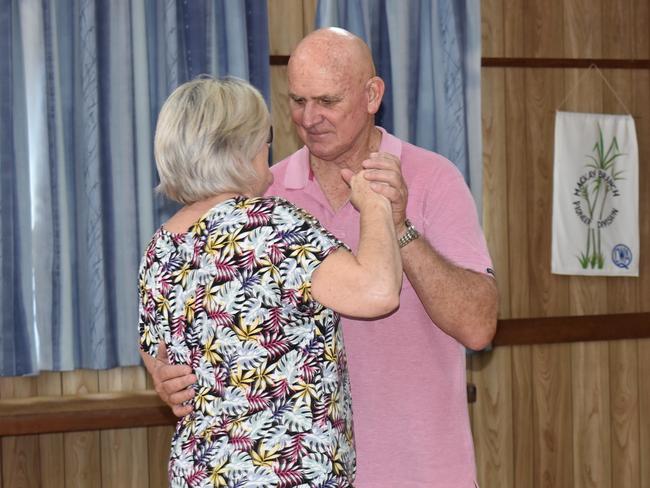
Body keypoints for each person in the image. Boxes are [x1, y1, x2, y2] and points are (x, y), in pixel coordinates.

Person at [147, 28, 498, 488]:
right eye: (297, 101)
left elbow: (478, 327)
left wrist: (399, 226)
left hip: (417, 470)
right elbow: (169, 315)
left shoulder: (432, 178)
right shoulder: (259, 197)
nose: (309, 118)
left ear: (372, 95)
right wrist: (164, 373)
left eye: (327, 101)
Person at [138, 75, 403, 487]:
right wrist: (375, 206)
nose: (270, 150)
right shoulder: (268, 224)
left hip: (200, 473)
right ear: (239, 149)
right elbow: (378, 291)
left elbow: (155, 353)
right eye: (266, 138)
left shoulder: (161, 244)